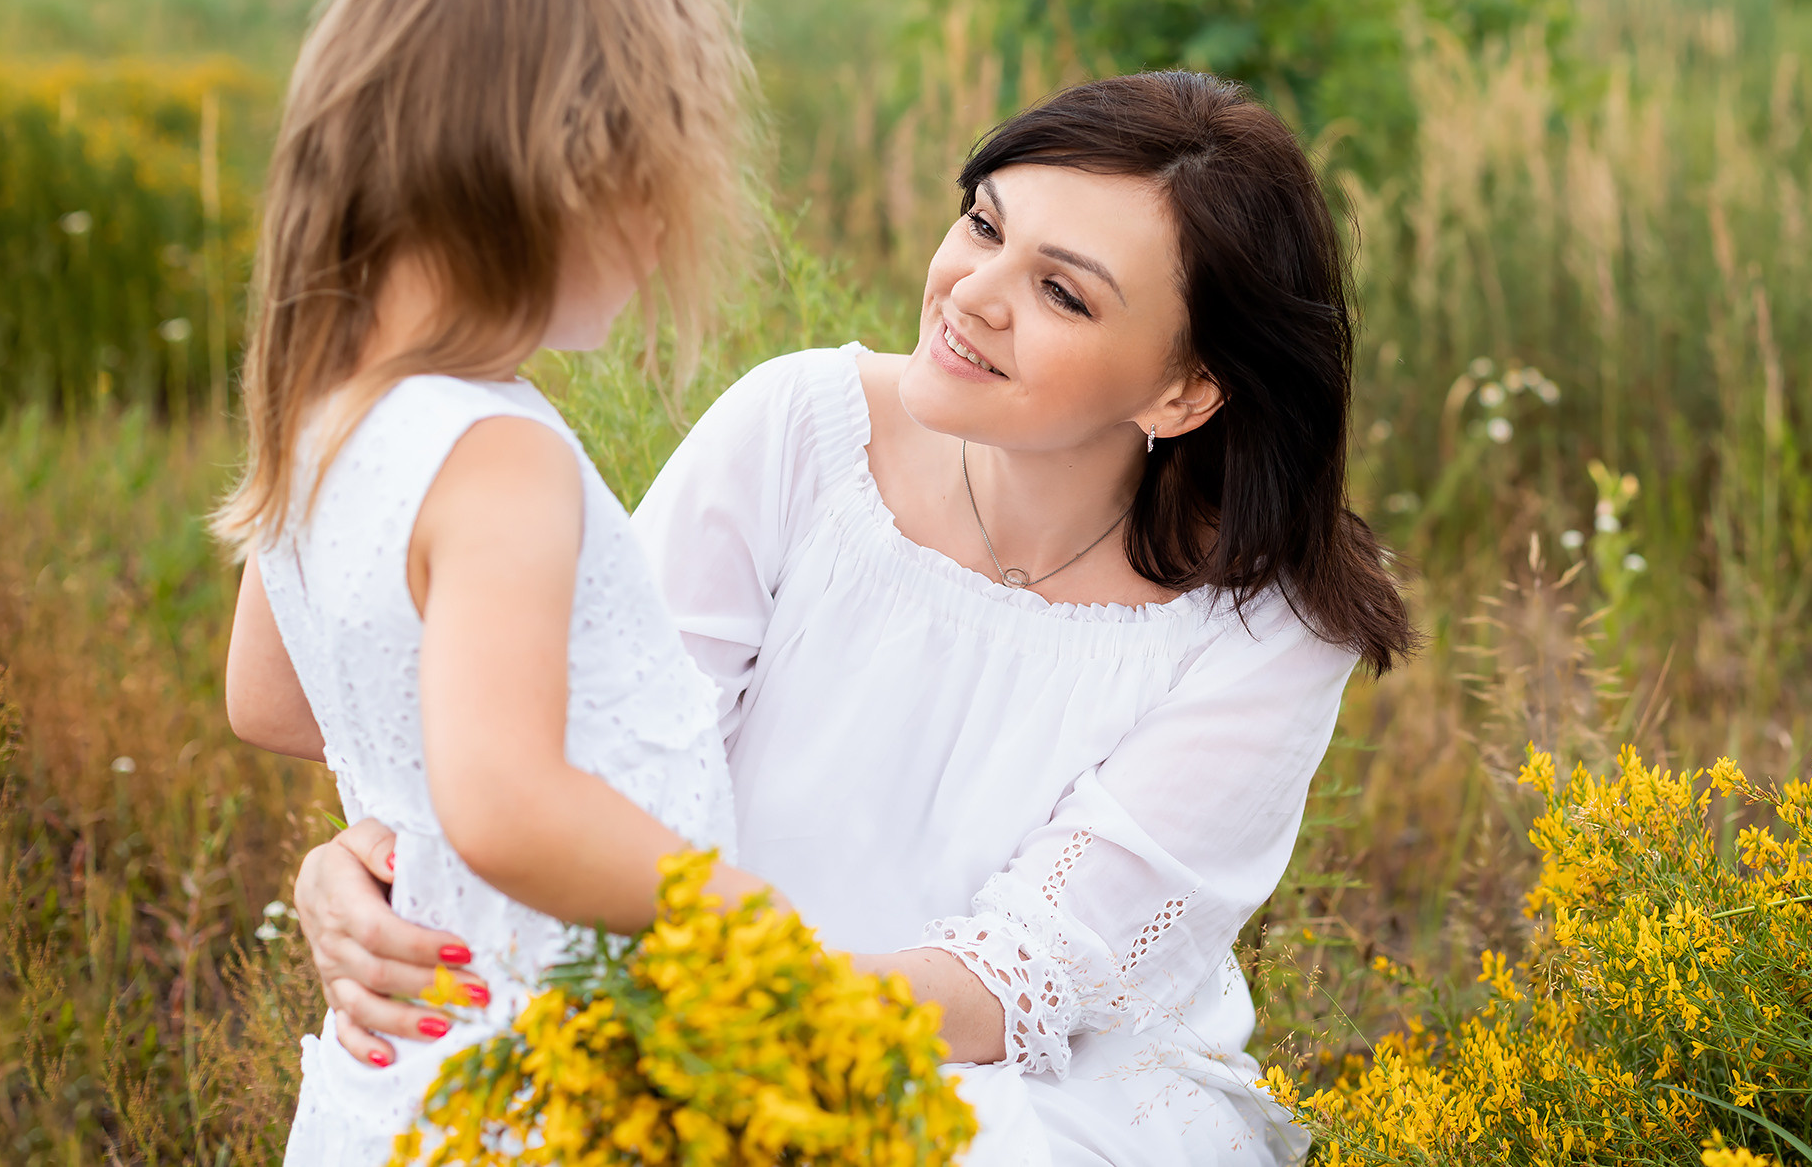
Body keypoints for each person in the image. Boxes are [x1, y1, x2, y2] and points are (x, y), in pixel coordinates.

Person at [289, 71, 1418, 1166]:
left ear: (1181, 392)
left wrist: (737, 1032)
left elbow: (1011, 983)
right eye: (982, 225)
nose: (971, 294)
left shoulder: (1264, 624)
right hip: (683, 995)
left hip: (1018, 1089)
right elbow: (588, 760)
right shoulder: (797, 429)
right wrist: (382, 863)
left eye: (1060, 292)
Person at [216, 0, 781, 1165]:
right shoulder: (497, 453)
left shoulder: (328, 407)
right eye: (660, 173)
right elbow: (511, 806)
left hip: (399, 1073)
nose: (664, 229)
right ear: (559, 163)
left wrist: (397, 810)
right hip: (549, 1082)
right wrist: (762, 929)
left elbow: (272, 700)